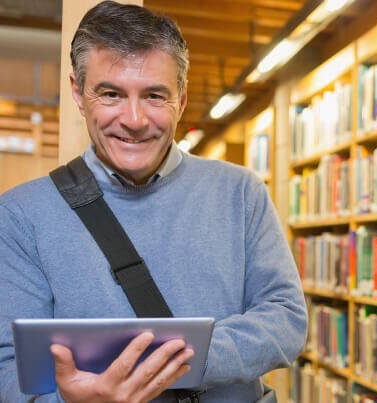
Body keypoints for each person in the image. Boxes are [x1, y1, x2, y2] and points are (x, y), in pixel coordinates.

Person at [0, 1, 307, 401]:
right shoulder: (20, 216)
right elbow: (8, 370)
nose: (134, 120)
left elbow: (286, 319)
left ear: (182, 98)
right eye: (111, 93)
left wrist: (174, 361)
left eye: (154, 96)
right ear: (78, 92)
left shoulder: (241, 192)